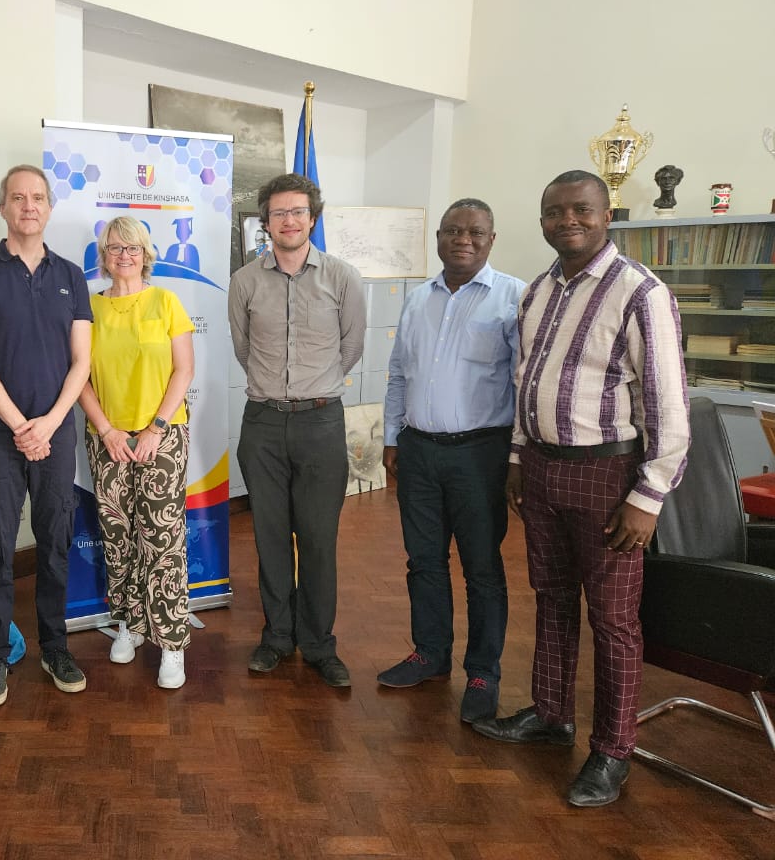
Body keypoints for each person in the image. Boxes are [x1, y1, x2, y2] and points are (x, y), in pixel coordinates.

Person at [472, 169, 689, 808]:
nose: (567, 221)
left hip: (610, 476)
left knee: (615, 620)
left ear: (606, 215)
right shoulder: (538, 291)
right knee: (553, 598)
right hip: (541, 469)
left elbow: (668, 406)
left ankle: (612, 750)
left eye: (581, 210)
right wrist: (517, 457)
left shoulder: (640, 292)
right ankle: (551, 715)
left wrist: (648, 496)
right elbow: (525, 382)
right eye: (554, 212)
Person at [379, 198, 524, 724]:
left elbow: (523, 386)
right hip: (419, 451)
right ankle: (430, 654)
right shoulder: (418, 298)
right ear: (438, 238)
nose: (464, 239)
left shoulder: (513, 298)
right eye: (453, 231)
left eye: (476, 232)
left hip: (480, 454)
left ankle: (483, 672)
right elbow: (398, 373)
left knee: (482, 569)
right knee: (423, 561)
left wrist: (516, 458)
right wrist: (393, 439)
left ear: (491, 239)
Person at [0, 165, 92, 705]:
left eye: (37, 197)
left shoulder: (72, 275)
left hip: (55, 433)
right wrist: (19, 426)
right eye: (18, 197)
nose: (28, 206)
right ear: (3, 207)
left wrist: (50, 424)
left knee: (55, 543)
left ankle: (54, 648)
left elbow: (81, 362)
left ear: (49, 208)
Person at [228, 172, 366, 687]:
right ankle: (276, 637)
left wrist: (313, 387)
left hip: (321, 421)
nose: (289, 221)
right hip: (263, 423)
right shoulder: (245, 281)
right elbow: (244, 350)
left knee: (317, 538)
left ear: (313, 218)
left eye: (298, 212)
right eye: (279, 213)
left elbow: (351, 348)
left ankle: (319, 644)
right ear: (265, 223)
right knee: (268, 537)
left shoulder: (342, 277)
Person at [77, 216, 195, 689]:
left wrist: (155, 428)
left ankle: (172, 645)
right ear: (103, 255)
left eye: (132, 247)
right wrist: (106, 429)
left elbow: (183, 371)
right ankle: (129, 625)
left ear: (146, 254)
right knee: (118, 535)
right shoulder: (88, 309)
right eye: (113, 247)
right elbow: (79, 376)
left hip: (163, 437)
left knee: (162, 540)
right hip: (106, 438)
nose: (123, 255)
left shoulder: (166, 301)